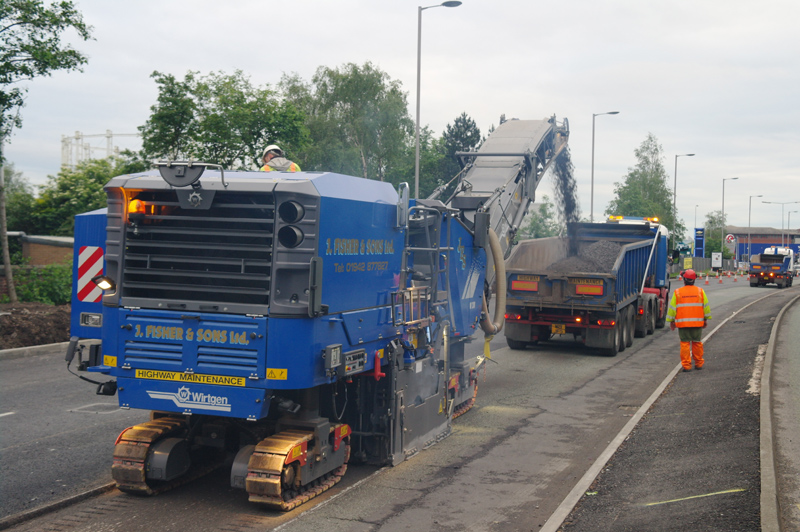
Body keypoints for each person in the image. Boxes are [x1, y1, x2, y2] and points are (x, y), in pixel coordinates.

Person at [666, 269, 712, 372]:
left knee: (685, 343)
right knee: (697, 343)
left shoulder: (678, 292)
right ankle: (699, 363)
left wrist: (671, 321)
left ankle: (687, 366)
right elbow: (706, 308)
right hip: (697, 324)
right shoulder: (700, 291)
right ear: (694, 280)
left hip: (683, 324)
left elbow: (672, 309)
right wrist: (705, 320)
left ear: (684, 280)